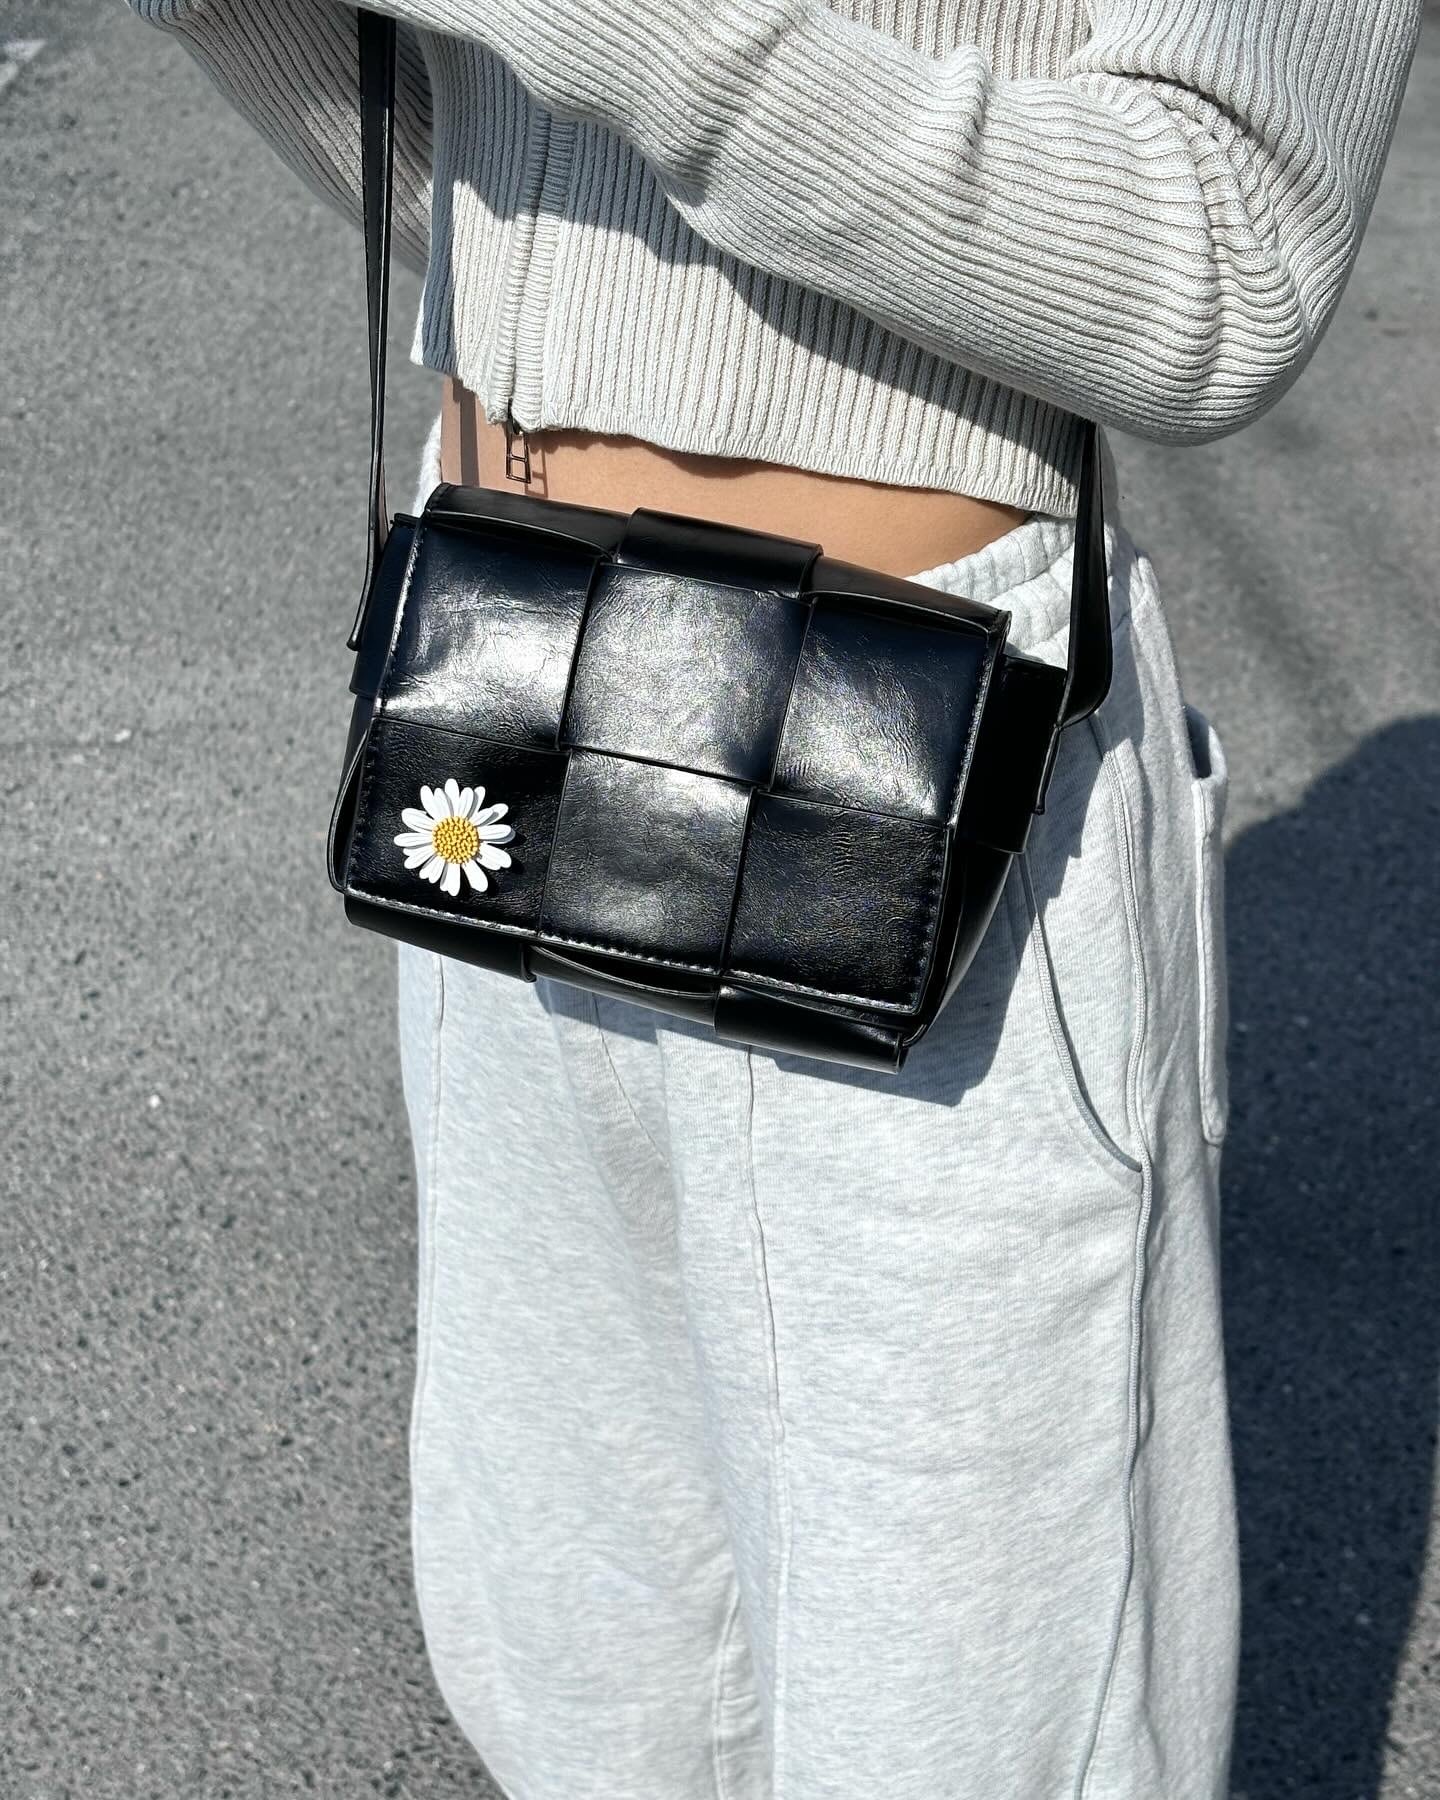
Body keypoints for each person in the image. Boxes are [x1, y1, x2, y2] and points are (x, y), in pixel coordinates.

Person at [122, 2, 1423, 1795]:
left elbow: (1218, 256)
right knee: (586, 1676)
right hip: (514, 687)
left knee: (965, 1717)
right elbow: (492, 179)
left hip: (913, 764)